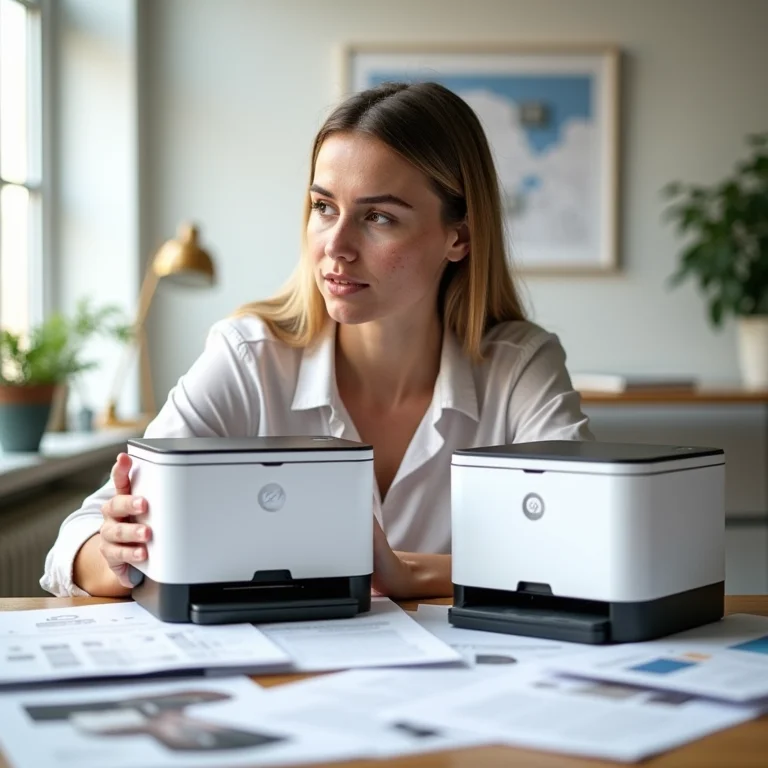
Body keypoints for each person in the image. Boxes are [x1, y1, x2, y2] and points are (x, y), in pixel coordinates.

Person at [41, 81, 592, 601]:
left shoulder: (519, 367)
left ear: (459, 237)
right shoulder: (248, 358)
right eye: (324, 207)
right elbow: (76, 543)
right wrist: (115, 552)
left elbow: (584, 543)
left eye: (379, 217)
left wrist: (409, 573)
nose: (336, 246)